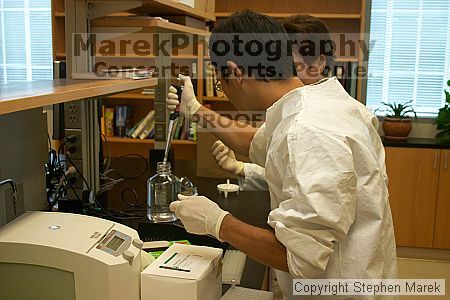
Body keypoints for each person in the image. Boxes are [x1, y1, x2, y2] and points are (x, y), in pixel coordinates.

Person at [166, 10, 397, 299]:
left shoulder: (309, 131)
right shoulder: (315, 104)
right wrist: (196, 110)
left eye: (219, 83)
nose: (223, 92)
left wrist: (217, 222)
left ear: (235, 72)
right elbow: (257, 143)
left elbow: (301, 258)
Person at [211, 15, 338, 192]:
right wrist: (241, 168)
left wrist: (215, 219)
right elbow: (262, 145)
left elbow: (313, 217)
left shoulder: (311, 125)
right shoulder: (293, 110)